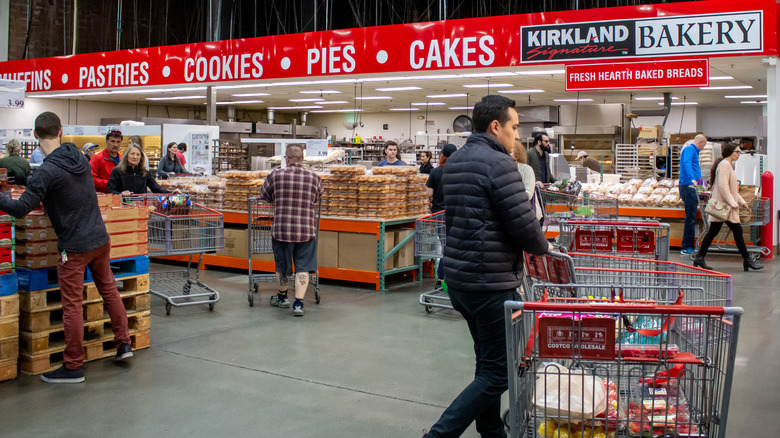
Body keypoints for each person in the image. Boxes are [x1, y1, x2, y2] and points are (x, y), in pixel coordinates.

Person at [423, 95, 550, 438]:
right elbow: (523, 224)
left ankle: (492, 430)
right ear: (496, 126)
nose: (517, 135)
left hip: (461, 280)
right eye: (514, 127)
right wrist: (545, 247)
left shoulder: (458, 161)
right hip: (490, 283)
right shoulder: (500, 164)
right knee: (499, 373)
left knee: (486, 364)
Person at [0, 112, 132, 383]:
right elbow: (68, 191)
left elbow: (20, 208)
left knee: (71, 305)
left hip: (73, 247)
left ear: (35, 135)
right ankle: (124, 344)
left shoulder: (46, 172)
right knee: (109, 289)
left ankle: (73, 366)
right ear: (61, 131)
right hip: (100, 238)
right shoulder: (79, 158)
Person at [259, 144, 323, 317]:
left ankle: (282, 297)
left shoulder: (275, 175)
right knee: (303, 267)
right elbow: (317, 198)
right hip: (306, 230)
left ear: (286, 158)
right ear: (303, 158)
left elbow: (264, 195)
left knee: (283, 266)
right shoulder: (314, 177)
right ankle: (299, 304)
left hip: (282, 230)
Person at [693, 143, 763, 271]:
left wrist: (741, 201)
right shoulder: (725, 165)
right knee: (736, 231)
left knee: (715, 232)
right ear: (731, 152)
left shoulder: (727, 165)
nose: (739, 154)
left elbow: (732, 189)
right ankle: (747, 260)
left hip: (724, 207)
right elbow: (723, 187)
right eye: (737, 152)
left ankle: (700, 257)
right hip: (724, 207)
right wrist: (733, 203)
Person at [425, 143, 457, 287]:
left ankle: (442, 278)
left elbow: (429, 193)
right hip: (454, 213)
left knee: (445, 245)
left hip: (438, 213)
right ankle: (447, 277)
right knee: (452, 246)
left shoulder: (435, 172)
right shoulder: (458, 171)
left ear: (442, 155)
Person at [679, 134, 706, 255]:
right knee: (690, 217)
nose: (703, 148)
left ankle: (688, 245)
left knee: (692, 216)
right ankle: (686, 246)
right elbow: (686, 163)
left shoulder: (693, 151)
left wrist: (701, 185)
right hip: (688, 186)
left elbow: (693, 167)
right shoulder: (690, 149)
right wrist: (691, 179)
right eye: (703, 146)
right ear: (700, 143)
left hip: (692, 185)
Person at [512, 141, 543, 225]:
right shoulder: (504, 170)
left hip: (528, 217)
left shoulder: (526, 169)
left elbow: (528, 194)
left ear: (517, 154)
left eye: (510, 151)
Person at [90, 129, 123, 193]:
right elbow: (91, 180)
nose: (115, 145)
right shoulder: (96, 159)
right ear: (107, 142)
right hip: (103, 198)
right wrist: (111, 183)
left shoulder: (123, 159)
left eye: (118, 142)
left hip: (121, 198)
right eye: (112, 141)